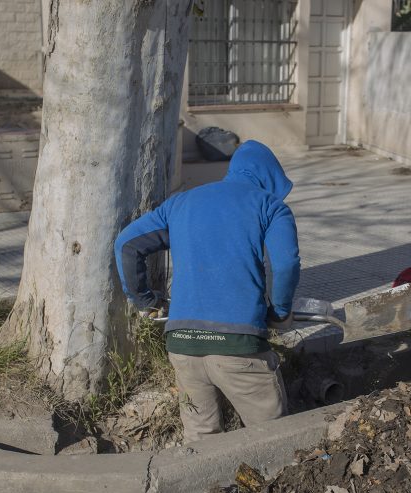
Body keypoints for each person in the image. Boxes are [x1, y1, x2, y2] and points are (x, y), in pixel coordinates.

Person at [114, 140, 300, 443]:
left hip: (183, 344)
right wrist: (280, 311)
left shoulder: (181, 203)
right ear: (271, 179)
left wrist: (146, 300)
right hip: (240, 346)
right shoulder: (270, 206)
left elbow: (127, 244)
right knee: (272, 441)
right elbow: (286, 264)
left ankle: (209, 490)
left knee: (201, 441)